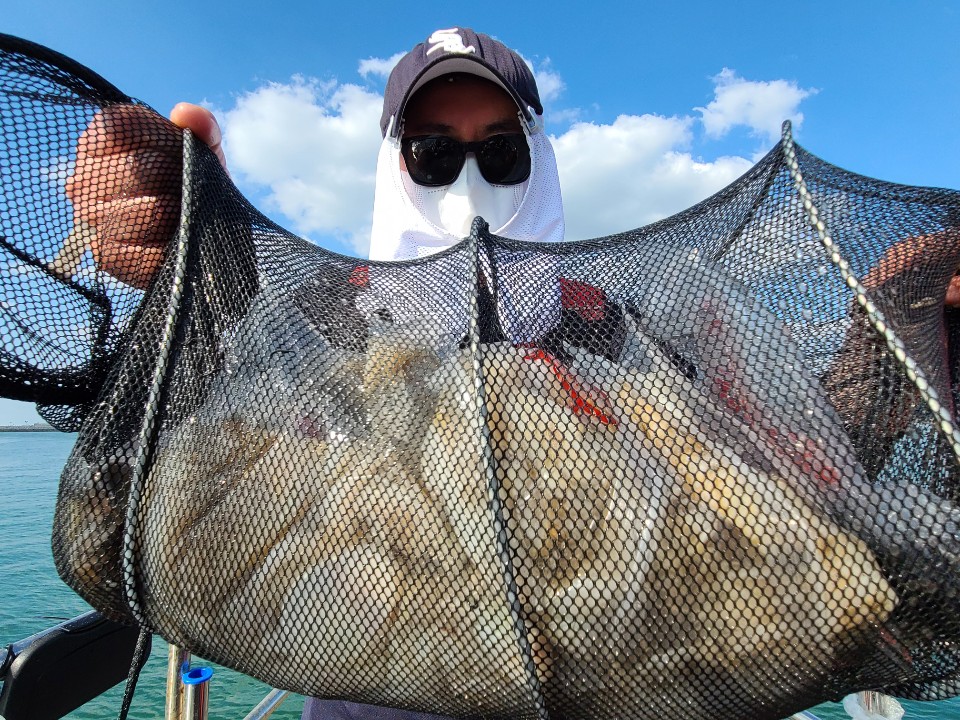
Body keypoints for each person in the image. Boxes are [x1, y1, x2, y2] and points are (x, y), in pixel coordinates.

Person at [63, 25, 960, 720]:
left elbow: (799, 489)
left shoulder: (626, 325)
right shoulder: (318, 319)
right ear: (393, 165)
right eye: (433, 151)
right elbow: (168, 471)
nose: (469, 183)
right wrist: (189, 280)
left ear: (539, 155)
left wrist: (885, 341)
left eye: (500, 151)